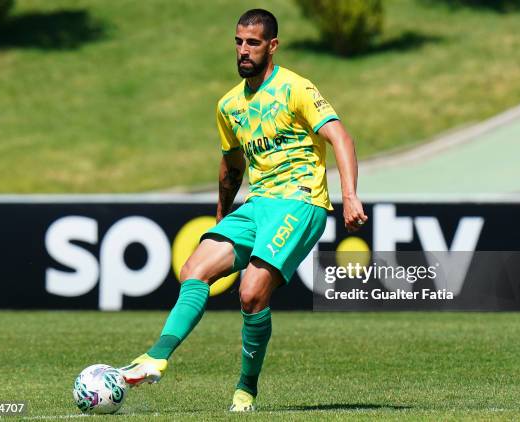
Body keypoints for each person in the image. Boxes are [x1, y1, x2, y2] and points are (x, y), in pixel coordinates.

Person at [120, 8, 368, 412]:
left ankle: (245, 389)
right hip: (257, 205)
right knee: (193, 268)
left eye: (253, 43)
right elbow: (231, 165)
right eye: (238, 42)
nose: (243, 51)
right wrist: (222, 215)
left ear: (272, 46)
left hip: (300, 201)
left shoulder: (296, 88)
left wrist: (350, 195)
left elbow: (340, 136)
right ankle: (156, 358)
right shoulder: (229, 105)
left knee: (251, 293)